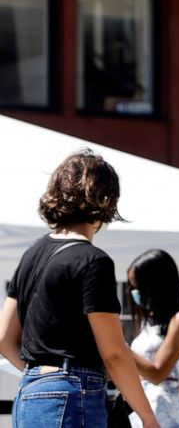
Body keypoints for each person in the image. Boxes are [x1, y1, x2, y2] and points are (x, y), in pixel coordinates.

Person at [0, 150, 161, 428]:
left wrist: (41, 378)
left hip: (29, 392)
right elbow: (113, 352)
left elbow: (4, 338)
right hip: (72, 392)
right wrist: (148, 418)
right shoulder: (92, 260)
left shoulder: (31, 255)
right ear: (107, 199)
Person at [127, 249, 179, 428]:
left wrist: (118, 348)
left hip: (163, 407)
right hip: (141, 404)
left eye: (138, 287)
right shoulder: (149, 320)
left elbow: (157, 373)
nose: (134, 292)